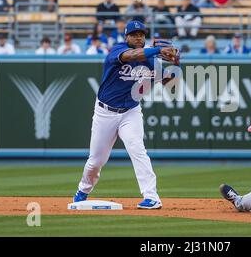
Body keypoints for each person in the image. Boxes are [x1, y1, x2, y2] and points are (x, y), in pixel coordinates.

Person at [73, 20, 180, 209]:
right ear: (126, 37)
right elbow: (132, 55)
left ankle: (151, 197)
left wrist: (177, 64)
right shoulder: (117, 50)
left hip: (131, 111)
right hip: (105, 112)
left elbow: (169, 82)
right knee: (96, 161)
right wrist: (156, 51)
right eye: (134, 34)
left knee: (137, 149)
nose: (139, 37)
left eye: (142, 34)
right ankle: (83, 189)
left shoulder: (150, 59)